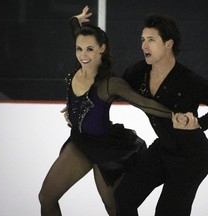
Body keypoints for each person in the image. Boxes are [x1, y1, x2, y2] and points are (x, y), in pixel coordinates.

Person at [70, 6, 208, 216]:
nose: (144, 45)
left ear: (168, 44)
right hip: (163, 149)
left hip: (192, 157)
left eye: (151, 40)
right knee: (123, 197)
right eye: (142, 39)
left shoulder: (189, 80)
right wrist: (78, 106)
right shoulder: (138, 73)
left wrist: (199, 123)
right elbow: (107, 87)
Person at [38, 8, 175, 216]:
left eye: (90, 49)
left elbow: (145, 103)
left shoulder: (109, 84)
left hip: (106, 149)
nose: (83, 55)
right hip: (80, 142)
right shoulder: (80, 60)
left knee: (114, 206)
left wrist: (174, 115)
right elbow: (74, 27)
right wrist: (77, 19)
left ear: (102, 48)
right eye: (79, 49)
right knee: (46, 197)